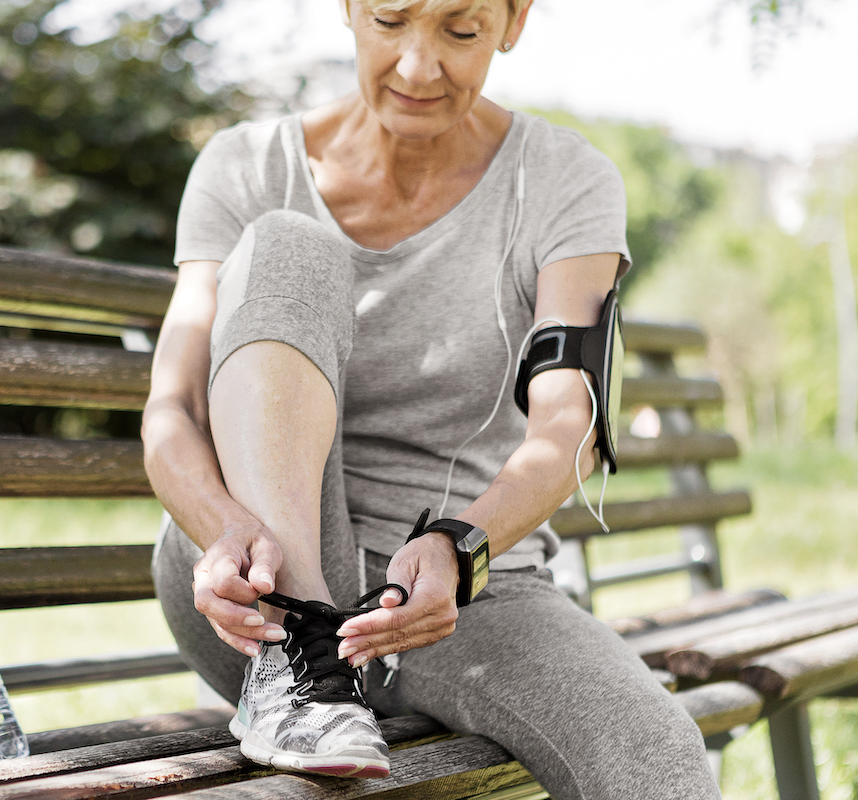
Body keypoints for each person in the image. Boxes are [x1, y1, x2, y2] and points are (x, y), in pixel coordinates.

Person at [142, 0, 721, 795]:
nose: (418, 66)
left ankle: (329, 668)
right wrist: (222, 536)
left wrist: (462, 547)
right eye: (389, 19)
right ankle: (302, 672)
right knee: (289, 244)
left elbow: (571, 420)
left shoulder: (562, 180)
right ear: (348, 8)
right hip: (261, 590)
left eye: (460, 30)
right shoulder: (244, 166)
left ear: (514, 20)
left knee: (655, 758)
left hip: (458, 593)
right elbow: (172, 412)